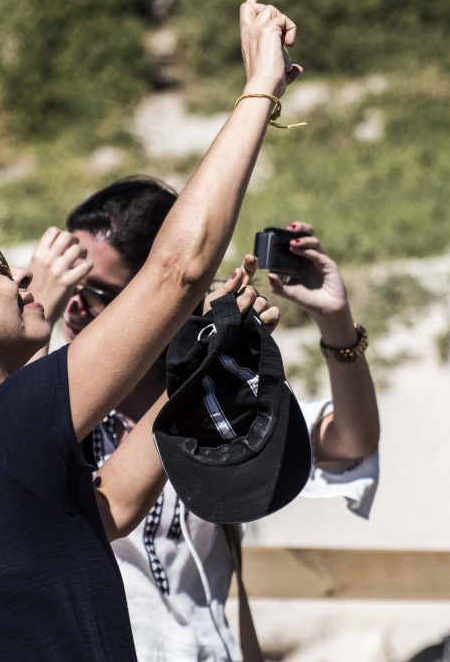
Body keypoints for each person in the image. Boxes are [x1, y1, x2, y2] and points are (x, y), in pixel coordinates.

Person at [0, 0, 301, 660]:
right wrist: (260, 87)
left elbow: (111, 504)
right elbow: (178, 269)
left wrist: (205, 360)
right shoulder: (6, 431)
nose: (19, 274)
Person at [27, 176, 380, 661]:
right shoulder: (48, 402)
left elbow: (351, 443)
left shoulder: (218, 396)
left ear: (154, 299)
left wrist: (336, 320)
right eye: (67, 282)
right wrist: (36, 319)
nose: (73, 305)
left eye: (94, 291)